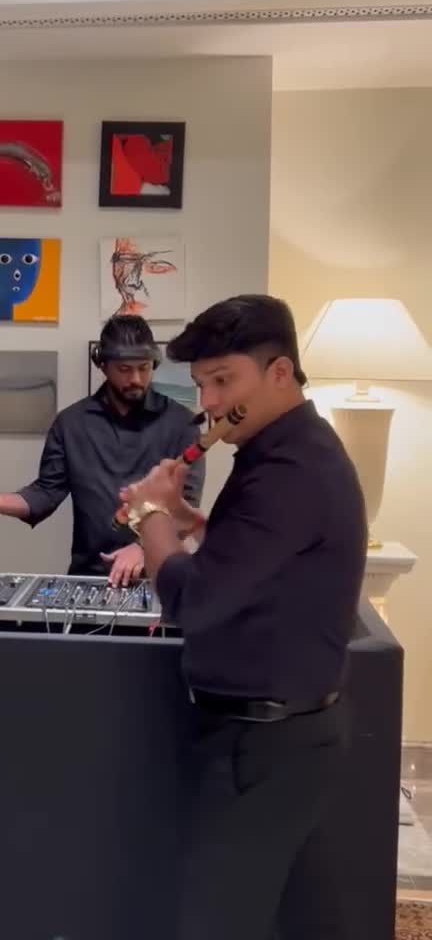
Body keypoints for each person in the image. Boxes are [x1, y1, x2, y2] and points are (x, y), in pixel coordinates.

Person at [119, 294, 367, 940]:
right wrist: (187, 518)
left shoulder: (288, 470)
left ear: (279, 372)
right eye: (202, 385)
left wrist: (149, 517)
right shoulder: (286, 451)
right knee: (309, 919)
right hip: (288, 736)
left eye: (223, 381)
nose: (208, 402)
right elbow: (257, 560)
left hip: (263, 745)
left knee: (216, 922)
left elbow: (193, 600)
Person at [0, 316, 205, 583]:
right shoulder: (71, 423)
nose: (136, 378)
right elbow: (45, 493)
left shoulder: (182, 423)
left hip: (162, 575)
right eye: (124, 369)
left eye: (144, 368)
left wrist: (142, 547)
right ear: (103, 365)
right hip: (91, 575)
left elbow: (187, 504)